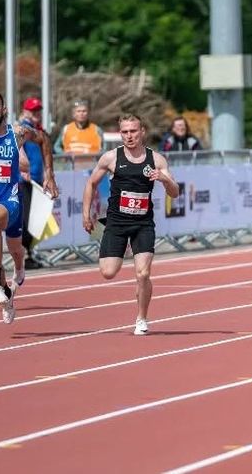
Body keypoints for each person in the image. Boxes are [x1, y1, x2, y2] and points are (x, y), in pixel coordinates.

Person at [82, 113, 179, 335]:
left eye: (133, 131)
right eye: (124, 132)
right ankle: (121, 247)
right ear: (120, 134)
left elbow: (175, 193)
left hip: (143, 224)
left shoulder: (156, 160)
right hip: (116, 223)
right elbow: (91, 184)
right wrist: (85, 214)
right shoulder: (110, 158)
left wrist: (164, 179)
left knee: (143, 274)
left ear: (142, 131)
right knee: (108, 272)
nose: (129, 136)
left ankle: (141, 318)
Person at [0, 90, 58, 323]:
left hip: (9, 200)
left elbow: (44, 139)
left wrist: (50, 174)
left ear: (4, 109)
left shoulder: (17, 133)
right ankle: (6, 294)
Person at [18, 97, 49, 270]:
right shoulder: (22, 129)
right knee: (26, 219)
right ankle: (22, 255)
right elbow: (16, 152)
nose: (36, 113)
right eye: (32, 110)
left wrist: (47, 175)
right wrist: (22, 172)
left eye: (38, 110)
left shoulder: (39, 130)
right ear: (25, 111)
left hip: (37, 181)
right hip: (24, 181)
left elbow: (44, 155)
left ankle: (29, 255)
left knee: (35, 221)